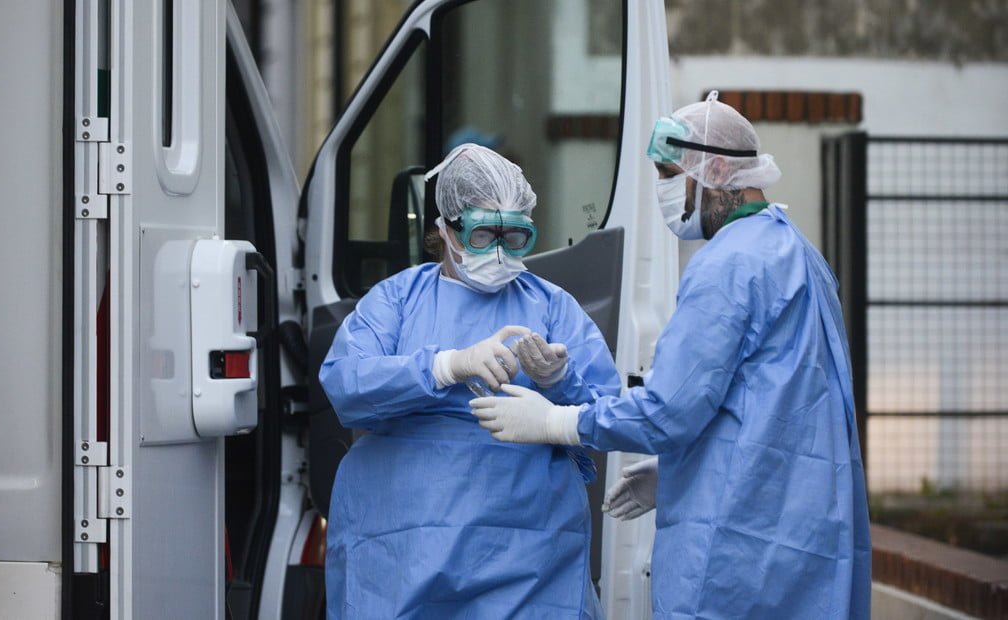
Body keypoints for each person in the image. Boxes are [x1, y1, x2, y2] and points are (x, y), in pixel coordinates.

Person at [470, 92, 871, 619]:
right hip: (803, 532)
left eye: (668, 174)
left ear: (716, 170)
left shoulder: (727, 265)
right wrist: (686, 470)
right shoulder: (798, 253)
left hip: (740, 555)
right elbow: (777, 409)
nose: (662, 191)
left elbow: (668, 411)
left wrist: (557, 421)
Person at [318, 143, 619, 618]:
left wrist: (560, 381)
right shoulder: (396, 301)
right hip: (404, 544)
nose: (499, 251)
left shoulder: (551, 306)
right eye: (482, 235)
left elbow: (606, 415)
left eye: (514, 236)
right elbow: (346, 385)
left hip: (527, 552)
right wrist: (444, 366)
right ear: (445, 229)